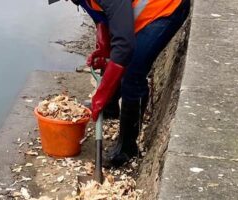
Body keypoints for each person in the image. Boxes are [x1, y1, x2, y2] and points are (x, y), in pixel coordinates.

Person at [72, 0, 190, 167]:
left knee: (133, 71)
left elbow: (124, 46)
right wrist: (104, 45)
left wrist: (101, 94)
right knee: (118, 55)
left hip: (166, 7)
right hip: (138, 8)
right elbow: (103, 16)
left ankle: (127, 149)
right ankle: (110, 108)